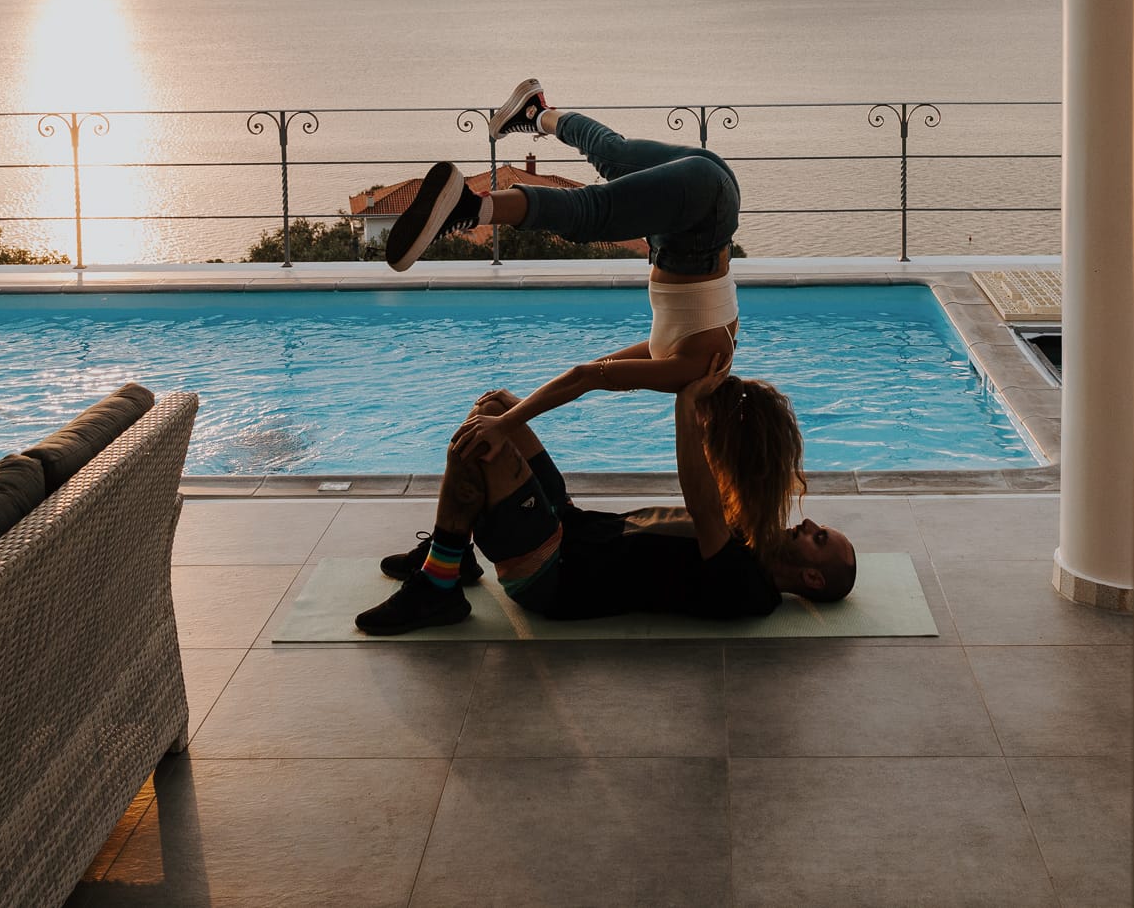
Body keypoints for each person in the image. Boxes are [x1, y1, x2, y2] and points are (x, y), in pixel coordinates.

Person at [383, 78, 806, 556]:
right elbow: (588, 377)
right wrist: (508, 423)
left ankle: (535, 112)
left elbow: (594, 369)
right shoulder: (692, 368)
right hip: (700, 213)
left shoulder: (695, 360)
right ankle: (471, 207)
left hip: (699, 205)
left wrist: (520, 415)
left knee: (612, 154)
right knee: (592, 212)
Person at [358, 372, 857, 635]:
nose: (809, 523)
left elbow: (701, 498)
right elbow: (733, 474)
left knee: (474, 446)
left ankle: (439, 586)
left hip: (552, 571)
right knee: (495, 408)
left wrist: (686, 405)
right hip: (571, 525)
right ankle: (457, 554)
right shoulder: (752, 536)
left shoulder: (748, 587)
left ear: (813, 578)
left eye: (819, 538)